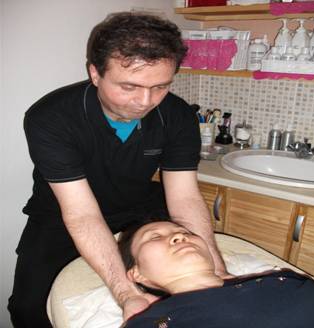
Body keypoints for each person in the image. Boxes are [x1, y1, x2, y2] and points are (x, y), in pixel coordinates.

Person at [8, 12, 227, 327]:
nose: (145, 101)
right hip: (61, 215)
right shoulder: (51, 118)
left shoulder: (177, 115)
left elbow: (184, 198)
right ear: (95, 74)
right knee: (28, 310)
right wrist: (125, 293)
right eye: (129, 86)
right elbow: (82, 214)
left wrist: (216, 269)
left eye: (160, 86)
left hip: (138, 212)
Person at [119, 219, 314, 328]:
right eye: (154, 237)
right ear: (138, 274)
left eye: (186, 232)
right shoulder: (153, 321)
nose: (179, 236)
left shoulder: (278, 278)